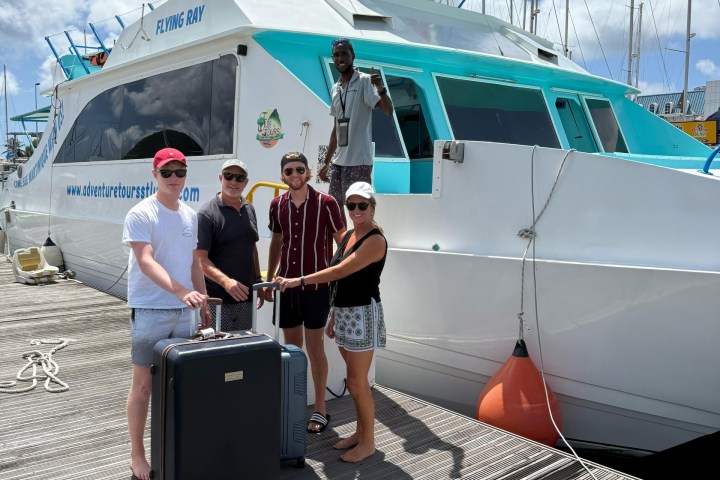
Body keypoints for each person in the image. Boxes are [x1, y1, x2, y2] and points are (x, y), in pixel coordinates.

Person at [275, 181, 387, 463]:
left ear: (372, 207)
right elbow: (343, 281)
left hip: (363, 314)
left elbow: (339, 271)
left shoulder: (375, 240)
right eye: (351, 205)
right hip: (346, 313)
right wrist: (334, 314)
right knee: (354, 383)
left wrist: (298, 280)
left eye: (363, 205)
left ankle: (369, 442)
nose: (356, 210)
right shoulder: (349, 235)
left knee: (358, 382)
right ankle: (360, 434)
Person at [122, 147, 209, 480]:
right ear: (154, 174)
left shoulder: (190, 215)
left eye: (180, 172)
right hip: (149, 310)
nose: (174, 178)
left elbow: (193, 264)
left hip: (184, 311)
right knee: (143, 386)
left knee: (179, 384)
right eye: (167, 172)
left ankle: (175, 443)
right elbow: (145, 261)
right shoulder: (141, 213)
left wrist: (202, 302)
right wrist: (181, 291)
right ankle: (137, 454)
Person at [266, 151, 346, 434]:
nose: (294, 175)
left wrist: (339, 284)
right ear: (282, 176)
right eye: (288, 171)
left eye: (299, 169)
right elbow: (276, 242)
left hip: (316, 290)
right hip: (286, 288)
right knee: (291, 350)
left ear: (309, 172)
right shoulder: (276, 205)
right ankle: (293, 404)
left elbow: (342, 245)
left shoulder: (327, 203)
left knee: (315, 350)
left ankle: (321, 408)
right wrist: (267, 277)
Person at [319, 38, 393, 209]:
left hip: (359, 162)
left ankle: (367, 237)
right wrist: (326, 162)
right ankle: (344, 238)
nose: (340, 58)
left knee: (360, 210)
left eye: (344, 53)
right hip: (338, 163)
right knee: (335, 211)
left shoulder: (364, 81)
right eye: (336, 55)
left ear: (353, 56)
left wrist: (381, 89)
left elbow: (388, 111)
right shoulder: (335, 88)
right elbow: (336, 127)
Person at [196, 158, 263, 331]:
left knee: (242, 351)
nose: (233, 182)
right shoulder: (206, 213)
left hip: (246, 299)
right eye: (229, 176)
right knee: (218, 352)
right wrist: (226, 282)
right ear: (221, 178)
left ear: (246, 182)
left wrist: (257, 280)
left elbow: (251, 247)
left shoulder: (250, 208)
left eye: (239, 178)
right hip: (218, 301)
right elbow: (200, 259)